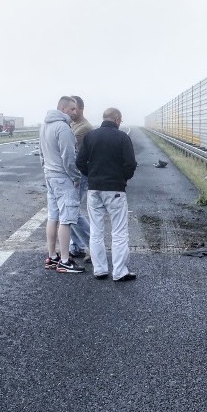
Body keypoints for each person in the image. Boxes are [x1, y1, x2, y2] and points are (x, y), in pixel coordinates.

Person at [76, 107, 137, 282]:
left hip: (94, 189)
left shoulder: (90, 136)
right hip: (116, 189)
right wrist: (122, 177)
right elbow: (130, 164)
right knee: (119, 232)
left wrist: (92, 175)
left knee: (96, 231)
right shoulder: (123, 138)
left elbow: (79, 161)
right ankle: (119, 271)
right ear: (117, 119)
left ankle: (100, 270)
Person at [40, 96, 86, 274]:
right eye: (73, 109)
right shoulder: (63, 128)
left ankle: (52, 256)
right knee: (66, 219)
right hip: (63, 177)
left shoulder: (44, 125)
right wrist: (76, 177)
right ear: (63, 108)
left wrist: (46, 170)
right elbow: (69, 157)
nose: (76, 112)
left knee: (53, 216)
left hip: (50, 175)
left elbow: (42, 153)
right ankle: (65, 261)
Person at [68, 96, 93, 261]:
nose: (71, 111)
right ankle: (76, 246)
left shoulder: (84, 128)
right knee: (69, 211)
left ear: (81, 108)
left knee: (71, 211)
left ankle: (93, 244)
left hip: (79, 174)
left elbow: (71, 149)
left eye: (74, 108)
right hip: (73, 173)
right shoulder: (71, 125)